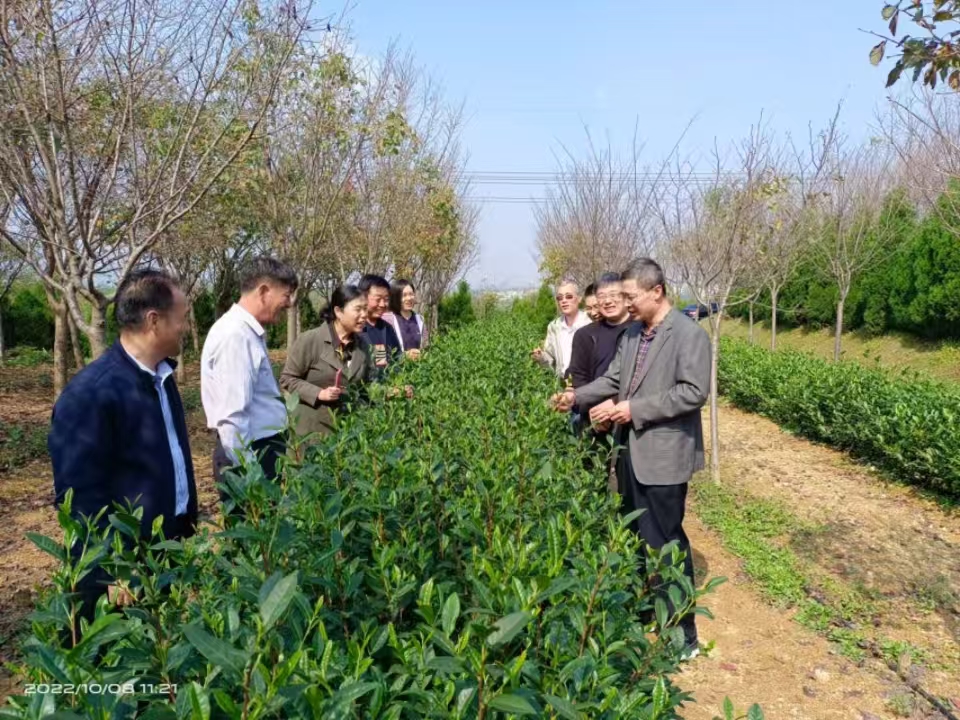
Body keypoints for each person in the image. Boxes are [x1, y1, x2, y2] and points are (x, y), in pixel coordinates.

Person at [551, 258, 710, 659]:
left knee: (666, 542)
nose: (625, 302)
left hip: (664, 455)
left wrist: (633, 409)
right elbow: (613, 379)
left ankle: (682, 635)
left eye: (630, 295)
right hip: (630, 453)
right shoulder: (634, 334)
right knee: (636, 536)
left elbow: (693, 392)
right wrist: (576, 396)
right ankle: (645, 611)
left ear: (656, 291)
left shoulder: (688, 335)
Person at [49, 269, 198, 622]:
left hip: (165, 545)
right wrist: (113, 567)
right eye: (182, 318)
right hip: (123, 567)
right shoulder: (91, 394)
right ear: (154, 321)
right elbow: (80, 496)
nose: (187, 327)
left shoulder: (162, 376)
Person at [201, 257, 298, 502]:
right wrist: (251, 475)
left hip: (258, 451)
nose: (289, 304)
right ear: (264, 291)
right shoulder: (236, 335)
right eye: (286, 295)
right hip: (249, 456)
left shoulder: (247, 332)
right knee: (253, 524)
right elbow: (232, 417)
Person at [280, 285, 377, 438]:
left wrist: (391, 392)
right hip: (311, 433)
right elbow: (287, 379)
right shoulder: (311, 340)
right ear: (338, 311)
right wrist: (319, 393)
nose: (364, 315)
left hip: (346, 433)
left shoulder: (362, 346)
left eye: (365, 309)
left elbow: (367, 385)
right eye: (358, 309)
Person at [567, 273, 633, 447]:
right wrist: (595, 413)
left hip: (632, 419)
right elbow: (578, 378)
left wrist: (614, 405)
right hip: (594, 421)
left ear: (626, 296)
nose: (608, 301)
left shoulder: (640, 330)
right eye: (602, 296)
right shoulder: (585, 335)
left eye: (614, 295)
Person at [531, 279, 591, 379]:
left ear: (579, 298)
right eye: (560, 298)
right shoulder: (554, 327)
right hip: (563, 383)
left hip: (588, 382)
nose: (564, 301)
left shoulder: (590, 323)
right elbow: (550, 359)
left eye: (569, 296)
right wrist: (541, 357)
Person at [358, 274, 402, 378]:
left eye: (386, 299)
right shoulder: (355, 329)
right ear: (363, 298)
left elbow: (397, 359)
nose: (382, 304)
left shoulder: (387, 328)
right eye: (378, 299)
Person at [384, 279, 428, 360]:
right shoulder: (387, 319)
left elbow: (427, 348)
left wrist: (422, 355)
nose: (409, 298)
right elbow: (380, 353)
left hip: (418, 366)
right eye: (404, 295)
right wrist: (404, 356)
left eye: (411, 294)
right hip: (394, 367)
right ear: (395, 298)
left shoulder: (420, 319)